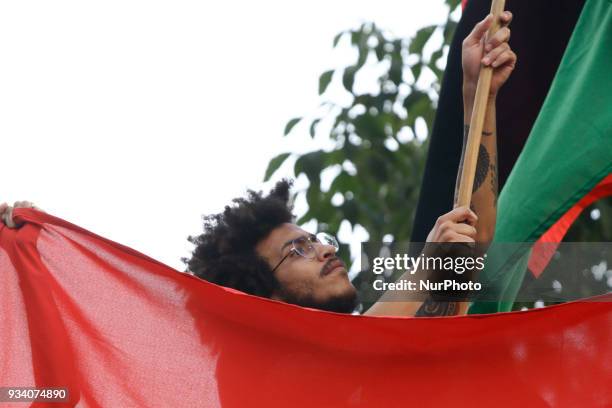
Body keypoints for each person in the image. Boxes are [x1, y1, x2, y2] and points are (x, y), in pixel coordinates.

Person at [1, 12, 516, 317]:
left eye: (314, 238)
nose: (322, 249)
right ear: (260, 295)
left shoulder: (403, 336)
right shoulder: (267, 383)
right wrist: (32, 258)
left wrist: (477, 96)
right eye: (297, 249)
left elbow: (474, 242)